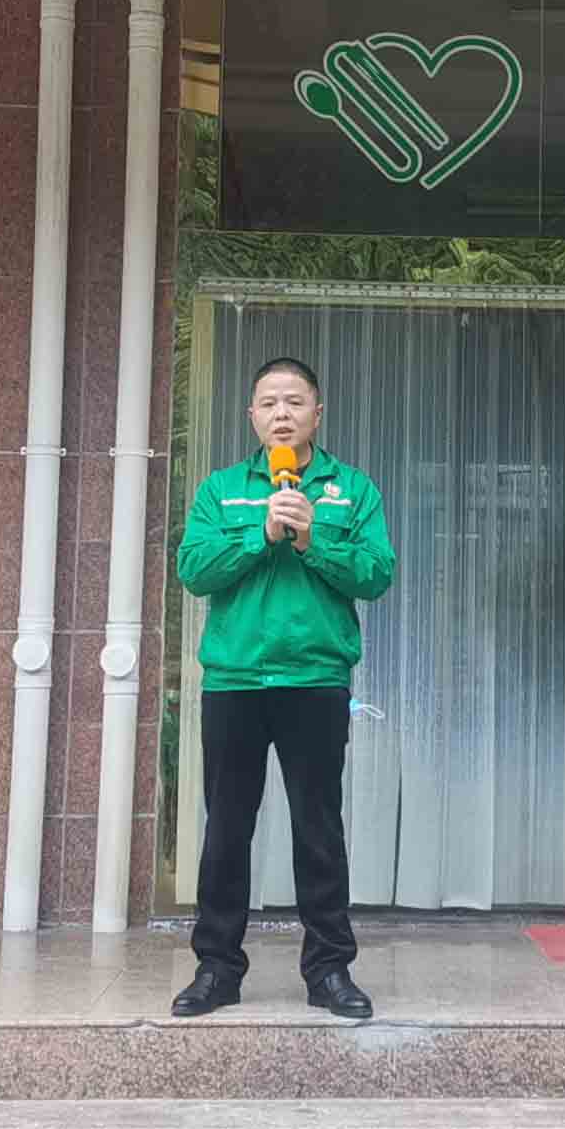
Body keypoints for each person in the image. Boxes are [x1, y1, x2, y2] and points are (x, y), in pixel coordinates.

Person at [172, 355, 396, 1020]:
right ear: (251, 415)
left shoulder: (351, 490)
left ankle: (329, 971)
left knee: (318, 829)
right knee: (226, 830)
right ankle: (217, 969)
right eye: (268, 402)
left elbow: (377, 574)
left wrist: (310, 540)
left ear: (316, 414)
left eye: (294, 402)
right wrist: (261, 533)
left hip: (315, 681)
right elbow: (193, 569)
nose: (281, 413)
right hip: (235, 682)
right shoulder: (221, 491)